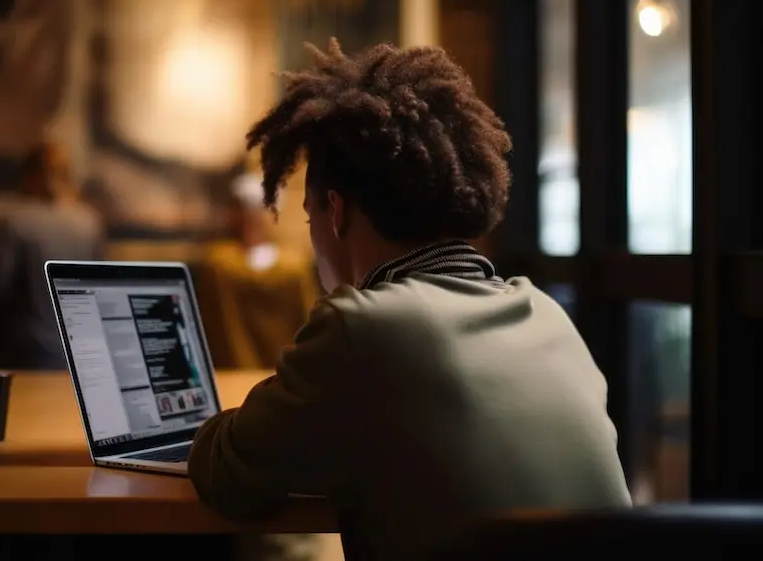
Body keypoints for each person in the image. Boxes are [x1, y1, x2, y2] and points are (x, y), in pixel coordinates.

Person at [188, 40, 631, 560]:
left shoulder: (362, 329)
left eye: (309, 220)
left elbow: (228, 471)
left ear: (335, 213)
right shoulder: (548, 315)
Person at [0, 141, 105, 369]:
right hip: (83, 350)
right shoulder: (89, 222)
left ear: (30, 177)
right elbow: (100, 288)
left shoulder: (15, 223)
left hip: (31, 351)